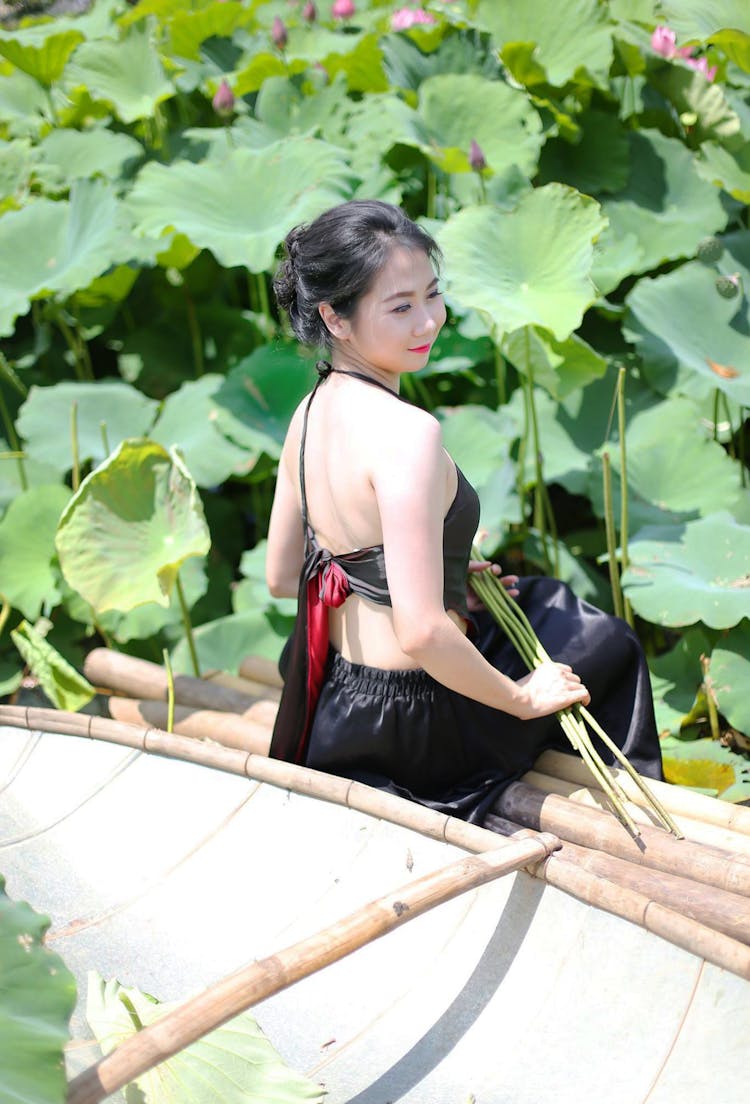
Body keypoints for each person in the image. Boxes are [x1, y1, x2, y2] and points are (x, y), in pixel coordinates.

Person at [265, 199, 662, 825]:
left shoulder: (308, 414)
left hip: (339, 702)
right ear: (334, 318)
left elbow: (285, 576)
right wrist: (521, 698)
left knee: (536, 597)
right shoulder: (408, 435)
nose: (428, 321)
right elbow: (422, 632)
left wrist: (446, 581)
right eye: (400, 307)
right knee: (607, 644)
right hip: (419, 723)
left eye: (432, 294)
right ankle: (631, 825)